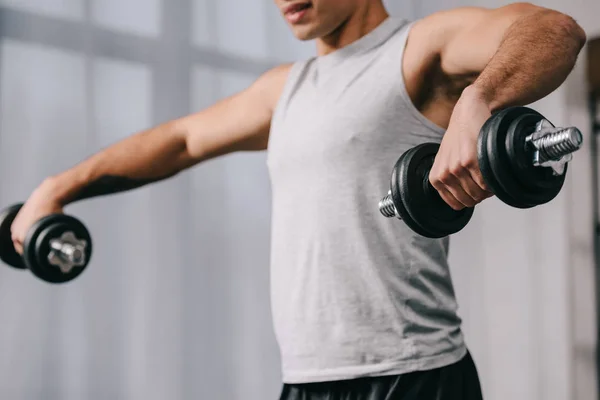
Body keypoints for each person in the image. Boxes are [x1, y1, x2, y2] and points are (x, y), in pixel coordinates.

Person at [10, 1, 586, 399]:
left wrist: (476, 101)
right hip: (308, 379)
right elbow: (180, 141)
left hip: (415, 374)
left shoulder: (416, 51)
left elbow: (555, 29)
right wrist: (58, 188)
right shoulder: (285, 90)